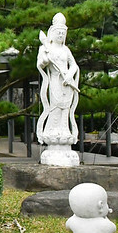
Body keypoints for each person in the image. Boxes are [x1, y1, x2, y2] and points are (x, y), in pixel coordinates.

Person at [36, 13, 80, 146]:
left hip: (66, 82)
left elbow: (74, 65)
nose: (61, 35)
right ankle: (52, 131)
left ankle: (65, 130)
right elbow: (41, 63)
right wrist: (44, 58)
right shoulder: (45, 48)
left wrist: (69, 75)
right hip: (55, 80)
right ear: (52, 33)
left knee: (66, 107)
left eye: (63, 33)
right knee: (56, 106)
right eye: (58, 33)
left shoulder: (65, 50)